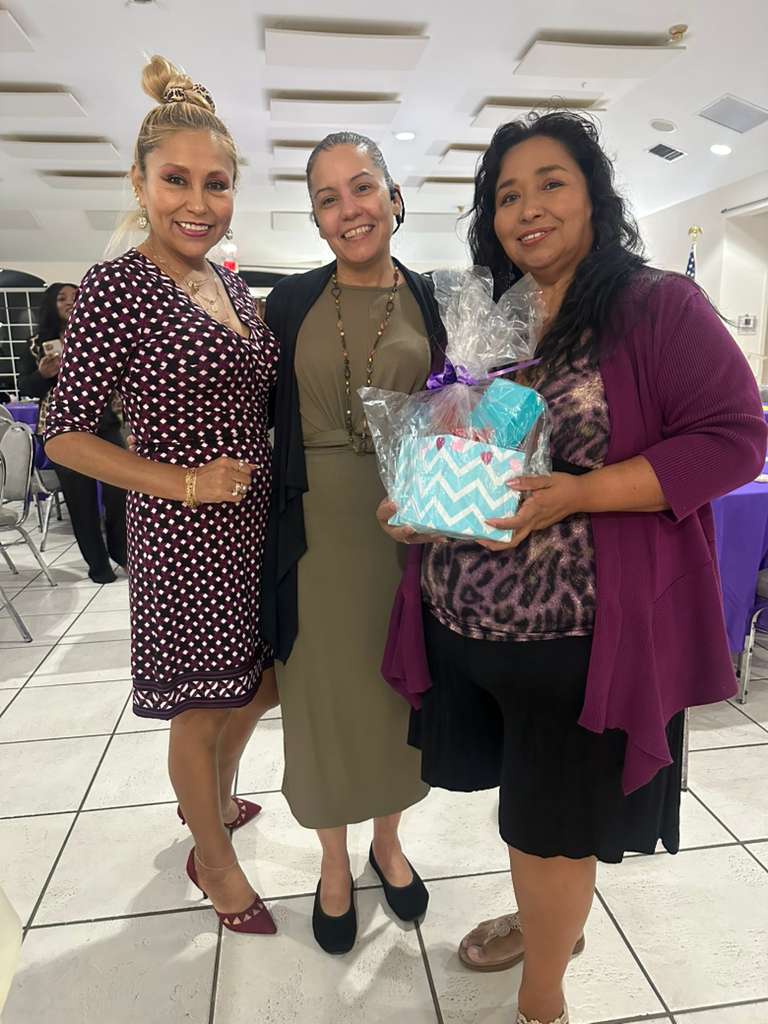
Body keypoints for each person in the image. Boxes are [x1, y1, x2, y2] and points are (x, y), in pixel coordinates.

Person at [377, 111, 767, 1024]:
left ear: (594, 194)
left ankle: (542, 1000)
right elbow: (467, 443)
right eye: (507, 195)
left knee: (550, 825)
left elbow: (735, 440)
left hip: (578, 644)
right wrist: (417, 498)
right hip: (466, 626)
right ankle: (547, 920)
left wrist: (579, 495)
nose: (529, 208)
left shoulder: (656, 306)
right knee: (530, 814)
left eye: (551, 183)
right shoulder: (490, 318)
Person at [45, 55, 280, 936]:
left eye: (216, 183)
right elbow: (63, 431)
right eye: (176, 179)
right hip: (183, 533)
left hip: (253, 523)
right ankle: (212, 858)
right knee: (202, 702)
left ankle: (209, 798)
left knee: (259, 684)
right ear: (139, 184)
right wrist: (185, 482)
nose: (198, 201)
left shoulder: (230, 284)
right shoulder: (118, 285)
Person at [262, 132, 444, 953]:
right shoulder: (289, 303)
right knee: (321, 703)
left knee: (397, 696)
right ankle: (333, 860)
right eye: (327, 199)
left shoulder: (434, 299)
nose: (350, 209)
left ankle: (388, 844)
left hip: (405, 535)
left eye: (363, 187)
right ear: (316, 220)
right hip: (311, 541)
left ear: (394, 198)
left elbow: (454, 411)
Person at [18, 282, 128, 583]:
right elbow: (26, 387)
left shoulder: (97, 337)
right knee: (81, 502)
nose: (70, 302)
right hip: (63, 429)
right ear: (50, 305)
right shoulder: (35, 343)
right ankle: (98, 565)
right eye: (62, 298)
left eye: (76, 296)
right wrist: (42, 374)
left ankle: (121, 551)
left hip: (105, 424)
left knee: (120, 492)